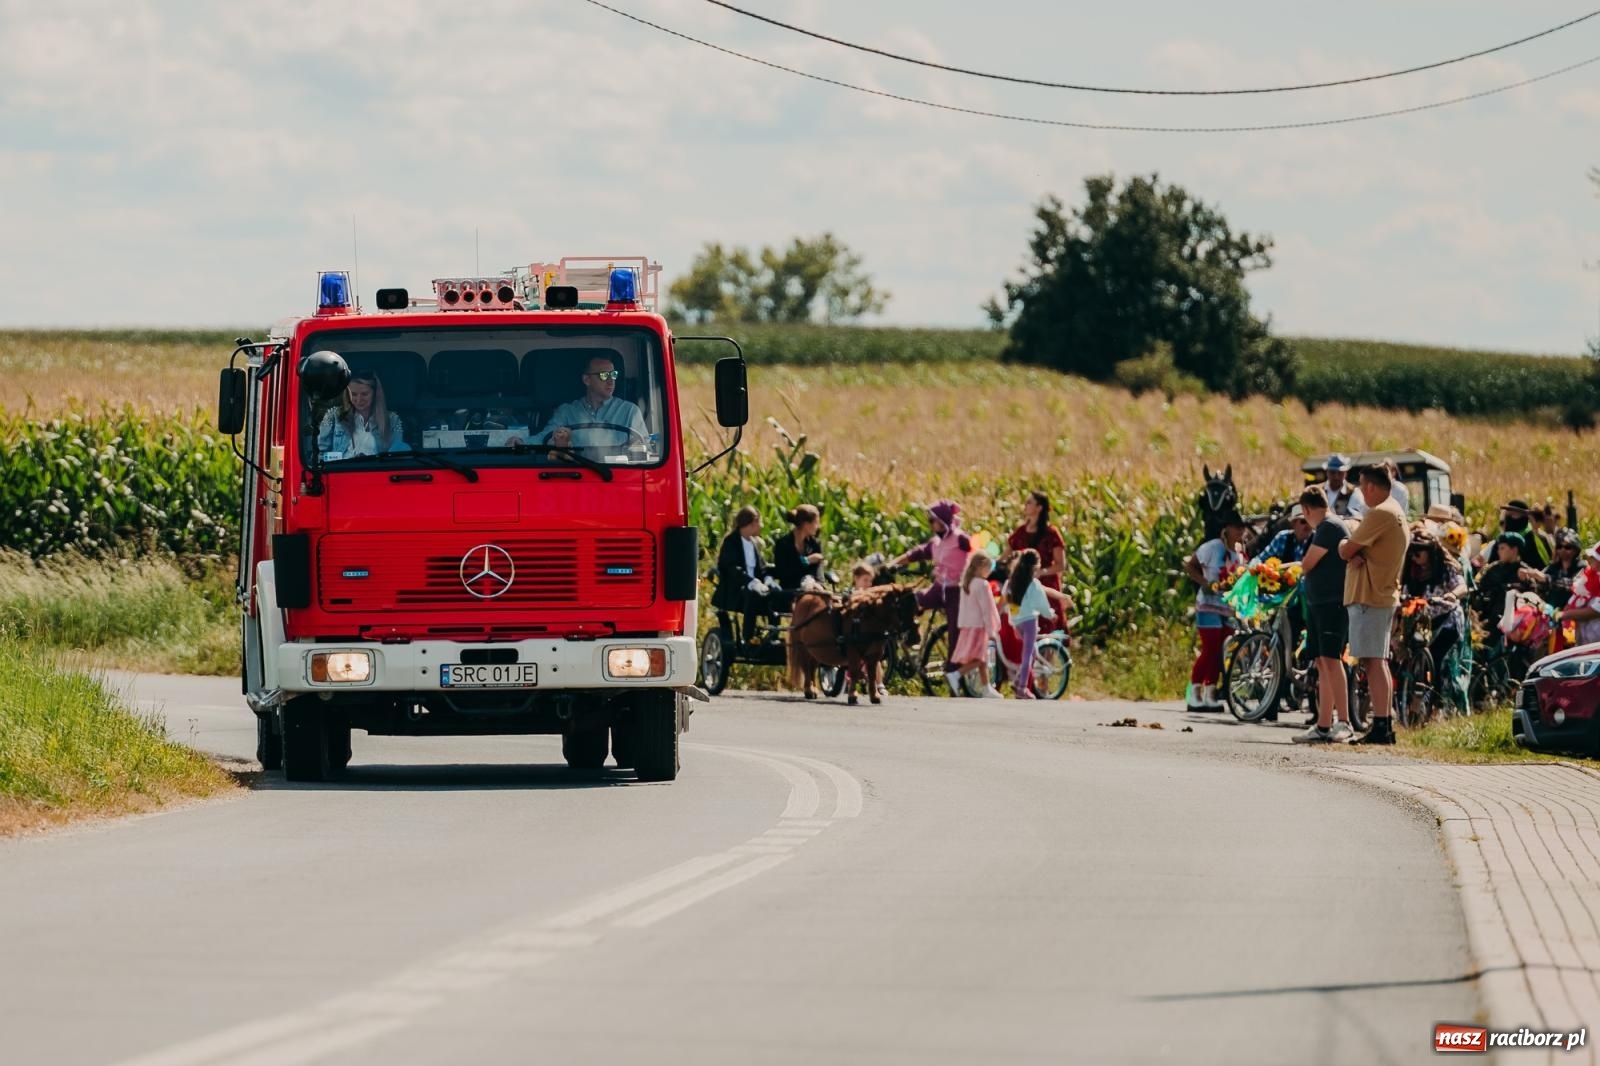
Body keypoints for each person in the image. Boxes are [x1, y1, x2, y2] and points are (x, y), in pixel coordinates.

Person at [1338, 465, 1408, 745]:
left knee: (1374, 661)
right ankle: (1383, 723)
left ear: (1369, 487)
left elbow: (1346, 548)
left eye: (1361, 487)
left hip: (1370, 594)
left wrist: (1347, 545)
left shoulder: (1380, 513)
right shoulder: (1395, 512)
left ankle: (1381, 725)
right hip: (1380, 593)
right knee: (1377, 661)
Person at [891, 500, 973, 694]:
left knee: (955, 631)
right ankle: (912, 634)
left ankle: (954, 673)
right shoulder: (936, 543)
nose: (930, 524)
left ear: (943, 521)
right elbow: (916, 554)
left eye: (932, 520)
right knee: (908, 601)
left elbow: (979, 554)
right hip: (938, 588)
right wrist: (893, 563)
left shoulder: (960, 539)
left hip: (956, 591)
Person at [1293, 487, 1353, 743]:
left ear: (1306, 510)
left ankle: (1345, 721)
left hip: (1332, 604)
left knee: (1332, 659)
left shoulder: (1329, 527)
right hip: (1319, 604)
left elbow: (1307, 563)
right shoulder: (1325, 528)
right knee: (1322, 662)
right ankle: (1323, 724)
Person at [1183, 509, 1246, 713]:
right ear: (1226, 529)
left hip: (1227, 608)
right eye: (1237, 528)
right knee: (1210, 648)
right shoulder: (1212, 548)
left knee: (1220, 652)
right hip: (1208, 604)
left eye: (1242, 528)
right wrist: (1205, 583)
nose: (1241, 532)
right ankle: (1195, 690)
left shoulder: (1238, 553)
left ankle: (1211, 691)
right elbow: (1190, 566)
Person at [535, 353, 648, 450]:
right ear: (587, 380)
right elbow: (544, 438)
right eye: (604, 375)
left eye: (613, 375)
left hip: (618, 473)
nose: (611, 381)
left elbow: (645, 447)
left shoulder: (630, 411)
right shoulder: (566, 412)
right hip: (576, 472)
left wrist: (636, 448)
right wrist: (519, 441)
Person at [1400, 531, 1469, 677]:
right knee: (1411, 653)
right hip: (1422, 620)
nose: (1414, 556)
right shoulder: (1411, 569)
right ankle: (1411, 691)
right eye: (1412, 551)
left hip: (1446, 619)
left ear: (1430, 550)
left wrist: (1452, 594)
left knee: (1436, 657)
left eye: (1419, 551)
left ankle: (1434, 695)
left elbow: (1462, 587)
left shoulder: (1445, 568)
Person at [1004, 548, 1070, 699]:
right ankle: (1022, 688)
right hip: (1029, 622)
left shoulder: (1011, 582)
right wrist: (1050, 615)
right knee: (1027, 655)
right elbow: (1042, 605)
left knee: (1032, 652)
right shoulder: (1034, 585)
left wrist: (1013, 618)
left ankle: (1017, 681)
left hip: (1017, 621)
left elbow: (1008, 600)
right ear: (1036, 567)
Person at [712, 505, 777, 641]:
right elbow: (731, 568)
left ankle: (773, 634)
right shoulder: (731, 542)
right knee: (752, 595)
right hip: (736, 589)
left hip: (755, 587)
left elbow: (762, 567)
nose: (761, 526)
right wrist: (751, 582)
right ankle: (748, 637)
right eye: (759, 522)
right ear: (752, 523)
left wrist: (768, 578)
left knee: (776, 594)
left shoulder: (753, 543)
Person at [317, 370, 407, 459]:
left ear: (375, 393)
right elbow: (319, 455)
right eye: (353, 394)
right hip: (341, 472)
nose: (359, 400)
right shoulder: (333, 416)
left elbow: (397, 456)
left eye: (364, 394)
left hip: (376, 471)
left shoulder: (392, 419)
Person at [953, 552, 1003, 699]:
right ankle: (955, 675)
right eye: (989, 567)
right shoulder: (982, 584)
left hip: (968, 626)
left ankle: (987, 688)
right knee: (980, 658)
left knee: (982, 659)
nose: (990, 571)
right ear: (981, 567)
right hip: (979, 627)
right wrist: (991, 630)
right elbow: (987, 610)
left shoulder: (967, 583)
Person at [1472, 531, 1542, 629]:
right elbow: (1479, 591)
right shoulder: (1493, 569)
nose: (1498, 551)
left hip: (1513, 626)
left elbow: (1531, 602)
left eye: (1502, 548)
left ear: (1514, 550)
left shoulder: (1525, 574)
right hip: (1487, 622)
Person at [1007, 491, 1066, 603]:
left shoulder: (1051, 533)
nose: (1025, 505)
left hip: (1047, 589)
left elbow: (1061, 565)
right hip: (1022, 588)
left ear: (1039, 507)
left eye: (1029, 502)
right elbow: (1006, 556)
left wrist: (1041, 572)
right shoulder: (1020, 532)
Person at [772, 504, 825, 593]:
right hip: (790, 590)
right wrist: (806, 561)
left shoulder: (814, 543)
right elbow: (783, 573)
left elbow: (818, 569)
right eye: (816, 523)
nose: (818, 526)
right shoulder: (783, 544)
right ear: (806, 525)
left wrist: (818, 584)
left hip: (813, 589)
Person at [1558, 541, 1600, 647]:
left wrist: (1564, 615)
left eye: (1594, 558)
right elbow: (1576, 596)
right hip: (1583, 642)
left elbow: (1595, 611)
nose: (1590, 559)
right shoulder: (1589, 574)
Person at [1537, 528, 1584, 610]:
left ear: (1575, 549)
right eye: (1559, 547)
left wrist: (1547, 579)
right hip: (1552, 613)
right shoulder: (1552, 567)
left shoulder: (1582, 566)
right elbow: (1539, 585)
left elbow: (1575, 585)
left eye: (1567, 547)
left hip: (1574, 612)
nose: (1562, 550)